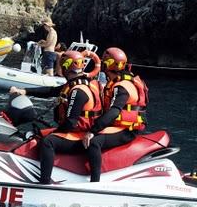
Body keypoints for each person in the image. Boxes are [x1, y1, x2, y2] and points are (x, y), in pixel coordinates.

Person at [10, 50, 102, 184]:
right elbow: (51, 91)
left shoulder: (77, 91)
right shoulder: (78, 83)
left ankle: (45, 182)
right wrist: (24, 91)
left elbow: (71, 123)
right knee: (37, 133)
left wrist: (54, 132)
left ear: (65, 67)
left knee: (48, 142)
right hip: (78, 131)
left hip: (80, 135)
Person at [84, 47, 148, 182]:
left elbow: (114, 111)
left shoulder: (122, 86)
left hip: (127, 130)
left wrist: (93, 130)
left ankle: (95, 183)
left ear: (108, 65)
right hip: (121, 126)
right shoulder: (121, 82)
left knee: (94, 142)